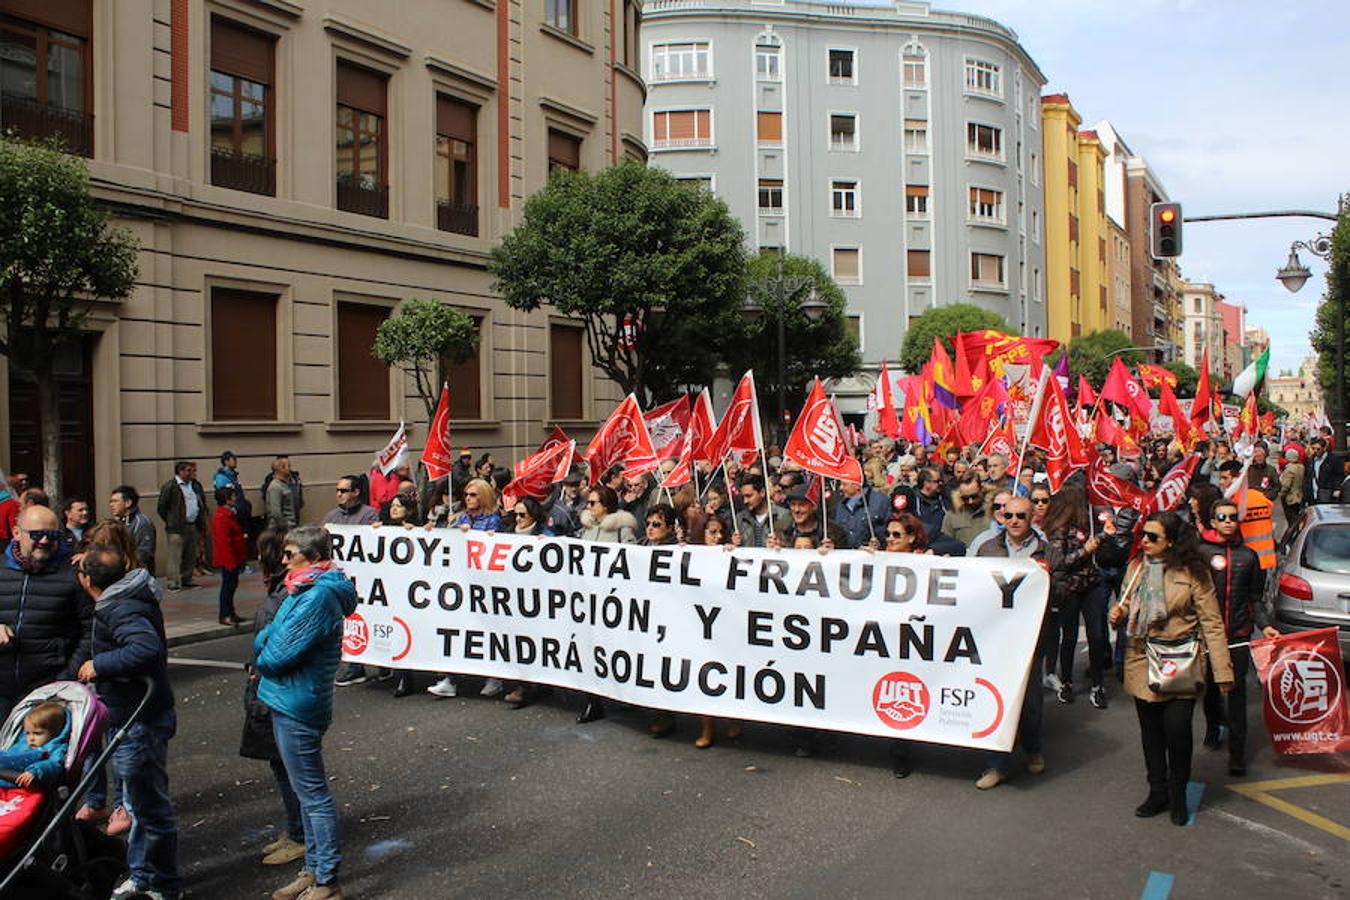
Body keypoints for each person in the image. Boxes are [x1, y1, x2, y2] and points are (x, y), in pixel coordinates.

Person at [1111, 511, 1233, 825]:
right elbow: (1126, 604)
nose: (1145, 542)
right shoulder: (1136, 568)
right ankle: (1158, 791)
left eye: (1153, 537)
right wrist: (1119, 613)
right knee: (1150, 733)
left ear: (1172, 542)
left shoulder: (1194, 573)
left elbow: (1212, 623)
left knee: (1177, 731)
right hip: (1141, 657)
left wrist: (1222, 672)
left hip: (1180, 660)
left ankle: (1178, 793)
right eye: (1144, 536)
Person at [254, 526, 356, 900]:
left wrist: (264, 653)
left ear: (312, 558)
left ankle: (327, 880)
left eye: (290, 553)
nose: (283, 560)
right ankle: (312, 870)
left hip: (298, 702)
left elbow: (276, 652)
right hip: (288, 698)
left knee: (312, 795)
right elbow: (270, 632)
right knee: (304, 791)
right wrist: (267, 644)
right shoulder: (303, 588)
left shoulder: (317, 596)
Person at [76, 544, 180, 898]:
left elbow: (145, 648)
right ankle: (143, 875)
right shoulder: (125, 597)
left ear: (87, 580)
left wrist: (99, 665)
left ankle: (164, 885)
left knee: (150, 809)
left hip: (140, 720)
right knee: (137, 806)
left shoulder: (120, 607)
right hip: (131, 716)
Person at [240, 528, 307, 868]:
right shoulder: (282, 592)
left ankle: (301, 835)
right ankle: (296, 828)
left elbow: (281, 648)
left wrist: (261, 666)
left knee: (291, 769)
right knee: (282, 765)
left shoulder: (287, 596)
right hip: (272, 691)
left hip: (279, 694)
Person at [1198, 500, 1277, 776]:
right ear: (1213, 521)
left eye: (1233, 517)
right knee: (1209, 688)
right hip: (1208, 637)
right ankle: (1212, 725)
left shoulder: (1249, 556)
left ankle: (1237, 753)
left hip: (1239, 635)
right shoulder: (1201, 553)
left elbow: (1255, 598)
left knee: (1237, 694)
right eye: (1223, 517)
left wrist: (1264, 625)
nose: (1229, 521)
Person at [975, 496, 1048, 789]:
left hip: (1030, 637)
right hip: (994, 637)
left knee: (1029, 701)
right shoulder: (986, 548)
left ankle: (1032, 749)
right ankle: (997, 765)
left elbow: (1063, 588)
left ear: (1032, 518)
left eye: (1021, 515)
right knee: (996, 698)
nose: (1015, 521)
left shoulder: (1046, 550)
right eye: (1009, 515)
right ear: (1002, 517)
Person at [0, 506, 92, 720]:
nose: (44, 541)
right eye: (36, 534)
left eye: (51, 535)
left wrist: (65, 680)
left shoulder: (73, 574)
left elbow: (91, 630)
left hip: (47, 694)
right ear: (16, 533)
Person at [424, 479, 504, 700]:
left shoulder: (493, 520)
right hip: (461, 582)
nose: (468, 498)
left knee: (485, 630)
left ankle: (494, 677)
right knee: (457, 630)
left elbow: (492, 548)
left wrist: (473, 536)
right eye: (467, 494)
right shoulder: (461, 518)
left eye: (474, 495)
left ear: (484, 497)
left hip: (485, 584)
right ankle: (450, 679)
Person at [575, 485, 637, 724]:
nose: (588, 507)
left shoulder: (622, 529)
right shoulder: (586, 528)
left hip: (614, 600)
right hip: (589, 599)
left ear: (606, 505)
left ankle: (627, 693)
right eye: (588, 503)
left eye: (593, 503)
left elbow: (633, 561)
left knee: (616, 648)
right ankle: (593, 701)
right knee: (590, 648)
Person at [1042, 485, 1106, 708]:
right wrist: (1085, 551)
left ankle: (1098, 684)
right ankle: (1067, 680)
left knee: (1096, 635)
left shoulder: (1089, 522)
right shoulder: (1059, 529)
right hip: (1070, 588)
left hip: (1092, 585)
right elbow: (1060, 561)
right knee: (1069, 636)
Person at [1216, 461, 1275, 571]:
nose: (1221, 482)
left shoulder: (1232, 503)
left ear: (1236, 479)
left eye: (1225, 478)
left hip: (1244, 561)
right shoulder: (1260, 497)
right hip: (1266, 559)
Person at [157, 460, 206, 591]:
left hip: (192, 524)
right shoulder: (170, 486)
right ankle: (173, 582)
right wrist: (170, 520)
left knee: (190, 554)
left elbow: (201, 502)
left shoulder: (195, 485)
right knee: (175, 555)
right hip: (176, 527)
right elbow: (162, 506)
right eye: (189, 470)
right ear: (181, 472)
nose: (192, 473)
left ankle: (187, 579)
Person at [0, 702, 69, 790]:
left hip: (25, 783)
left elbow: (54, 764)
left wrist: (35, 771)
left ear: (54, 732)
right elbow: (11, 754)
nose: (31, 738)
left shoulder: (56, 748)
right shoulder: (22, 744)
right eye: (27, 733)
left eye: (37, 733)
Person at [769, 485, 846, 549]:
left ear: (814, 506)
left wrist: (834, 552)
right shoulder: (779, 530)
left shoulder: (834, 533)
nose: (796, 510)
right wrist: (771, 550)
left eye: (802, 505)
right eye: (793, 504)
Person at [212, 487, 247, 626]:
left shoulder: (229, 514)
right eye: (232, 497)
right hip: (229, 559)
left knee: (232, 585)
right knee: (227, 586)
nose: (235, 499)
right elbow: (223, 542)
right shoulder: (222, 517)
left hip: (235, 557)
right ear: (226, 500)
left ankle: (231, 612)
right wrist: (230, 562)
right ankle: (225, 614)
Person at [830, 479, 889, 550]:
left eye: (844, 484)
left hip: (871, 557)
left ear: (857, 485)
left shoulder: (880, 502)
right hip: (844, 557)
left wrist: (880, 544)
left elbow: (887, 531)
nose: (841, 488)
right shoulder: (838, 504)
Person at [733, 475, 790, 548]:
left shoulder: (783, 515)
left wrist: (781, 545)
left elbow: (793, 547)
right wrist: (733, 544)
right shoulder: (740, 518)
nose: (745, 501)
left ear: (762, 492)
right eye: (743, 497)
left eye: (749, 496)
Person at [111, 485, 157, 576]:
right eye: (111, 501)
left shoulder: (142, 523)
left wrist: (121, 561)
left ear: (128, 503)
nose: (111, 505)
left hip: (138, 575)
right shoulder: (117, 521)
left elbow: (145, 553)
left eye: (115, 501)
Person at [942, 473, 991, 547]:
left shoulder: (994, 511)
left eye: (974, 496)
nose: (970, 501)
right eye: (965, 498)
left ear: (981, 490)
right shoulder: (951, 515)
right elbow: (945, 543)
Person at [214, 451, 254, 538]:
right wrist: (233, 509)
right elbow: (223, 496)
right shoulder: (221, 478)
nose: (236, 461)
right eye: (233, 459)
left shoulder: (234, 476)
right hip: (232, 513)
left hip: (240, 512)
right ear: (226, 462)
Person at [1305, 437, 1343, 504]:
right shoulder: (1311, 460)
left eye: (1318, 449)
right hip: (1312, 493)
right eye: (1313, 448)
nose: (1315, 451)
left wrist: (1337, 489)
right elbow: (1308, 476)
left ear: (1324, 448)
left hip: (1326, 492)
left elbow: (1339, 475)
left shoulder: (1333, 460)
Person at [264, 457, 298, 532]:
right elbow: (276, 513)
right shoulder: (275, 487)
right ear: (280, 469)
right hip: (280, 530)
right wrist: (285, 529)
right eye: (287, 466)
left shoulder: (284, 484)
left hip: (289, 526)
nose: (289, 469)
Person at [1277, 448, 1305, 533]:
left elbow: (1286, 485)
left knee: (1291, 519)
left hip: (1290, 497)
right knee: (1296, 516)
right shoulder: (1301, 467)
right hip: (1299, 495)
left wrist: (1280, 495)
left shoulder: (1289, 470)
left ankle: (1293, 534)